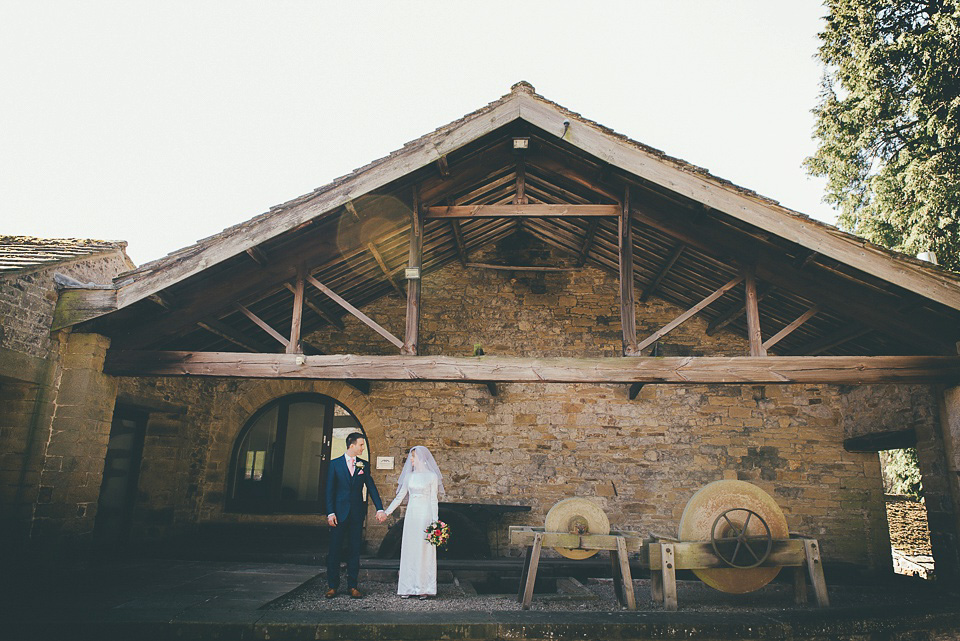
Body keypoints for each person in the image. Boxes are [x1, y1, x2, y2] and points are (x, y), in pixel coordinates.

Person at [325, 432, 386, 599]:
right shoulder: (335, 464)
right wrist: (330, 512)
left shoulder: (363, 465)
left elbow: (371, 488)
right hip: (338, 514)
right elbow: (329, 491)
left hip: (356, 514)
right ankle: (332, 586)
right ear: (351, 445)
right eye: (361, 445)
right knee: (334, 550)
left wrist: (380, 509)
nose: (362, 448)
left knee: (354, 550)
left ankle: (353, 586)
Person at [384, 446, 444, 599]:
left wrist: (435, 522)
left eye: (413, 457)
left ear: (421, 458)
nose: (410, 460)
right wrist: (386, 512)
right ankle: (407, 587)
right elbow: (400, 497)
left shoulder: (432, 476)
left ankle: (424, 587)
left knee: (424, 551)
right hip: (412, 516)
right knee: (410, 550)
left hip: (425, 516)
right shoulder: (409, 477)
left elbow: (433, 500)